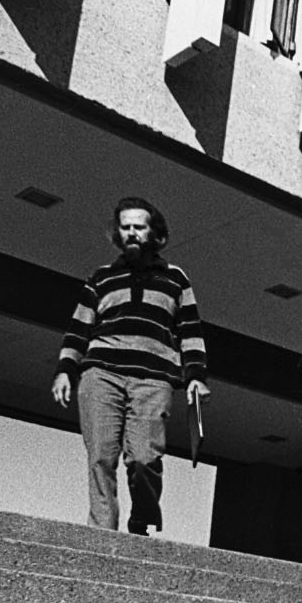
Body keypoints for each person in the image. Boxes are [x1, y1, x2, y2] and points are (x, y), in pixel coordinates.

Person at [53, 197, 209, 535]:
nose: (132, 233)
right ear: (118, 233)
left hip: (153, 379)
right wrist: (66, 369)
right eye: (126, 227)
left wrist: (195, 377)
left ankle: (143, 515)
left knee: (143, 458)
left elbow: (190, 332)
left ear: (155, 233)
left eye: (139, 227)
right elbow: (79, 327)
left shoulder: (176, 279)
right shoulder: (101, 277)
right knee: (100, 459)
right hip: (101, 374)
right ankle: (101, 535)